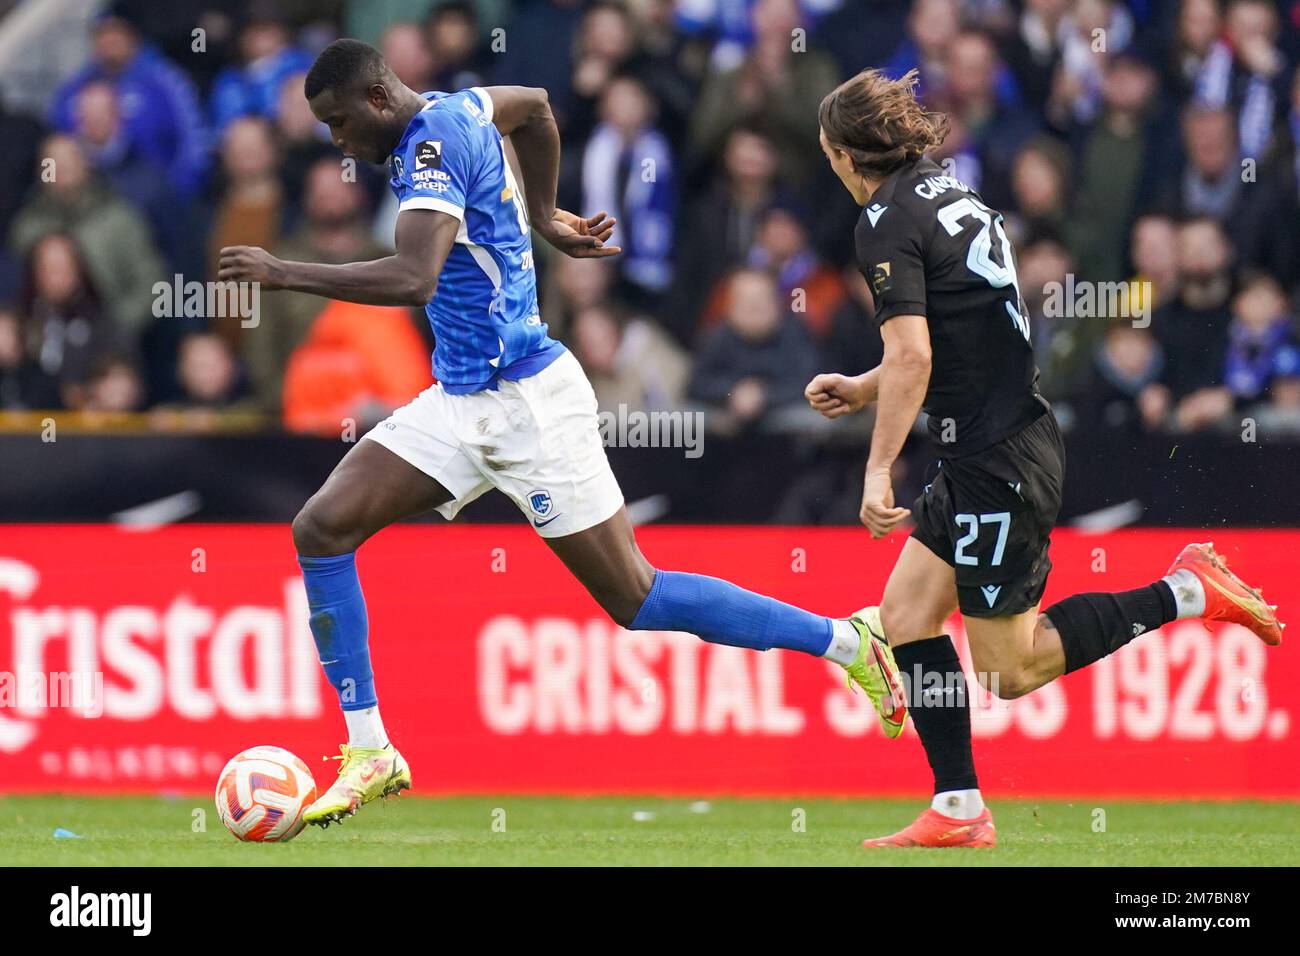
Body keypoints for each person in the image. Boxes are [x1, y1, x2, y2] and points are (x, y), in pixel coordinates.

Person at [217, 39, 890, 830]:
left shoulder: (432, 147)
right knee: (321, 528)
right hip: (463, 398)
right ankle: (371, 752)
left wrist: (284, 271)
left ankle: (847, 642)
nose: (336, 143)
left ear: (374, 98)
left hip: (529, 403)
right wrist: (542, 215)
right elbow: (535, 103)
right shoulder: (461, 107)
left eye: (337, 124)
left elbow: (413, 277)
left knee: (635, 596)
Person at [805, 68, 1283, 848]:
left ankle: (1186, 590)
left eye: (828, 155)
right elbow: (956, 336)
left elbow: (917, 355)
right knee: (905, 616)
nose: (829, 168)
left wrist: (875, 466)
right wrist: (868, 387)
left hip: (999, 462)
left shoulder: (883, 224)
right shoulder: (949, 192)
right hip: (989, 447)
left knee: (1010, 670)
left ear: (847, 154)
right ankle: (958, 807)